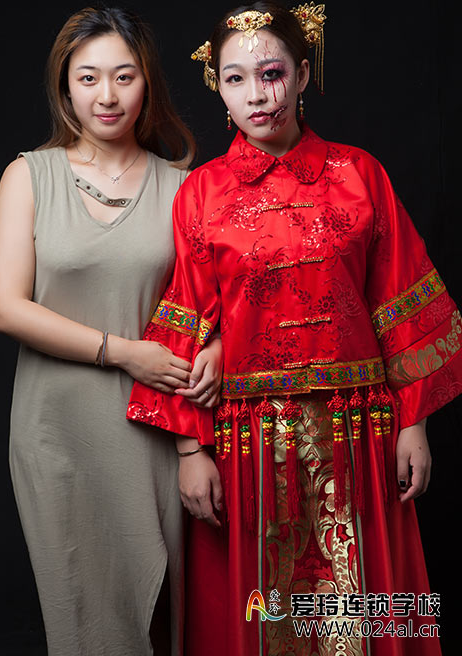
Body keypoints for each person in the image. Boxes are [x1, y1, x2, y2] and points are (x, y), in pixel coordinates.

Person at [127, 2, 462, 655]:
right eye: (235, 79)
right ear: (218, 88)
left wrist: (414, 424)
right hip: (250, 444)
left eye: (272, 73)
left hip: (356, 432)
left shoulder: (360, 175)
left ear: (303, 75)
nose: (257, 95)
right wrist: (191, 453)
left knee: (356, 612)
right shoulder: (202, 193)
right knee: (262, 614)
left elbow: (399, 299)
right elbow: (186, 319)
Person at [0, 6, 223, 656]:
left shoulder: (186, 189)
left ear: (148, 83)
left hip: (157, 430)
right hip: (56, 431)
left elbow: (216, 307)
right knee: (82, 615)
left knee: (162, 616)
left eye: (124, 76)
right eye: (88, 78)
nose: (107, 95)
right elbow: (5, 307)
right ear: (65, 88)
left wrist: (220, 347)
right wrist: (124, 353)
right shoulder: (28, 176)